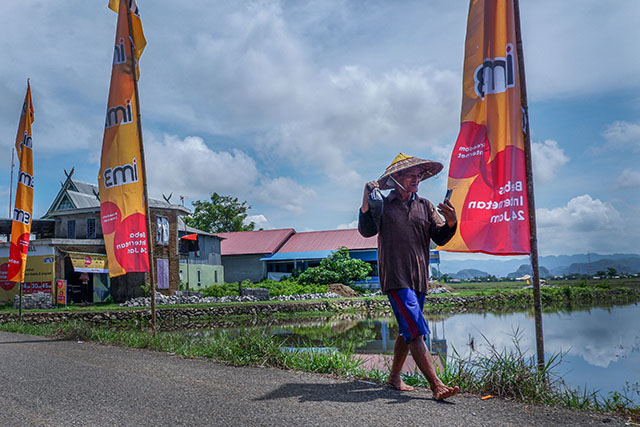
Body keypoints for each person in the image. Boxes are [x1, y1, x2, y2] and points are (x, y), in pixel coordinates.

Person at [358, 153, 460, 401]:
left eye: (419, 175)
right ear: (396, 178)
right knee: (415, 328)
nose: (417, 179)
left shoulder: (425, 206)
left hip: (419, 278)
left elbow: (440, 237)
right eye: (411, 175)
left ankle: (394, 377)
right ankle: (436, 385)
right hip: (395, 276)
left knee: (407, 330)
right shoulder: (382, 204)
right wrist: (365, 199)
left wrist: (451, 221)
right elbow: (366, 231)